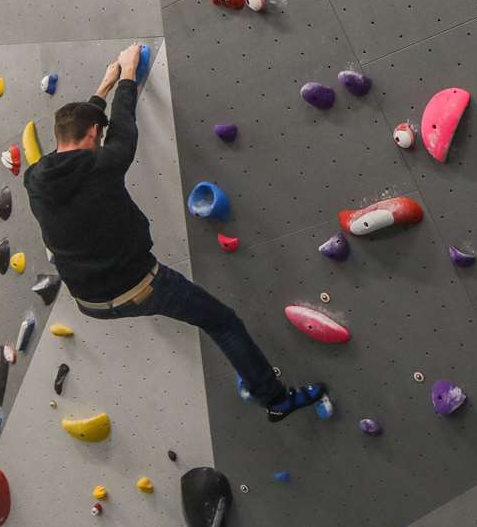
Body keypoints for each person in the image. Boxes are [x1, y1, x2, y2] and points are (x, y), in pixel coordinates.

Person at [24, 42, 325, 419]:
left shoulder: (35, 178)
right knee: (223, 321)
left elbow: (84, 132)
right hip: (138, 287)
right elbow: (123, 124)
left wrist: (104, 84)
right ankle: (276, 400)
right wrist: (129, 73)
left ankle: (263, 386)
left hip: (89, 302)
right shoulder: (104, 162)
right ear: (93, 138)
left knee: (197, 312)